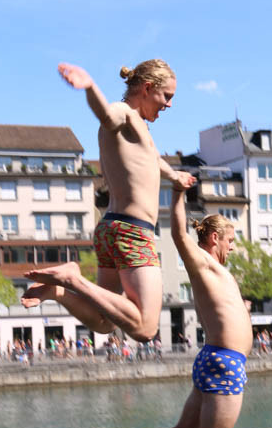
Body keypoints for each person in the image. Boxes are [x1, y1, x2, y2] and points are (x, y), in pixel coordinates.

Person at [21, 60, 196, 342]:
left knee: (104, 323)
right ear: (148, 88)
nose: (169, 105)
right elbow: (106, 115)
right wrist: (90, 86)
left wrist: (175, 176)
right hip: (133, 232)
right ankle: (73, 279)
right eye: (167, 96)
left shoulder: (139, 129)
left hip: (110, 229)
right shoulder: (124, 113)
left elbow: (151, 160)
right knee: (146, 328)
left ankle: (59, 291)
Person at [104, 188, 253, 428]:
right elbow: (179, 235)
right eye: (230, 240)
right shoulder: (203, 261)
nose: (232, 246)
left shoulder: (216, 273)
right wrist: (178, 194)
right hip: (225, 363)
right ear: (214, 237)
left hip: (215, 359)